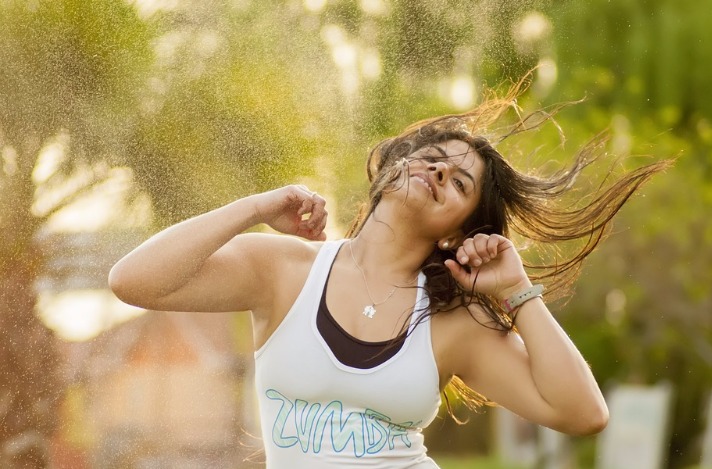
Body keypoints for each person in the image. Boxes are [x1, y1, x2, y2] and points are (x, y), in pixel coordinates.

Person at [109, 78, 668, 468]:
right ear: (399, 162)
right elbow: (133, 281)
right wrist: (256, 207)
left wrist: (519, 293)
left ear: (456, 231)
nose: (440, 170)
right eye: (435, 158)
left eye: (459, 183)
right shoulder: (284, 270)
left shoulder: (455, 323)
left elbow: (583, 413)